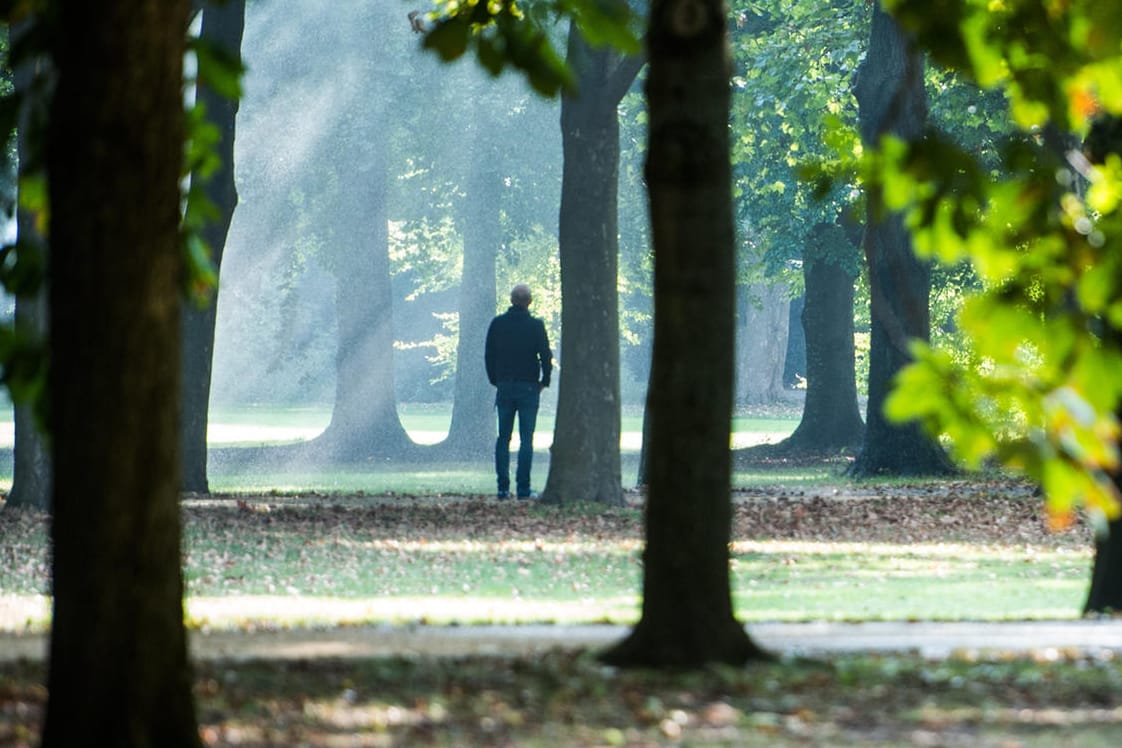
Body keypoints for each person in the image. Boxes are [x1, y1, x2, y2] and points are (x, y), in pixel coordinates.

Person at [485, 283, 552, 500]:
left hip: (505, 386)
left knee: (503, 438)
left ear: (511, 300)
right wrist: (545, 381)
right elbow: (545, 356)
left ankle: (502, 488)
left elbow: (489, 355)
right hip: (529, 387)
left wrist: (496, 380)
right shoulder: (535, 326)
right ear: (529, 301)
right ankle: (523, 488)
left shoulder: (498, 324)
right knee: (526, 439)